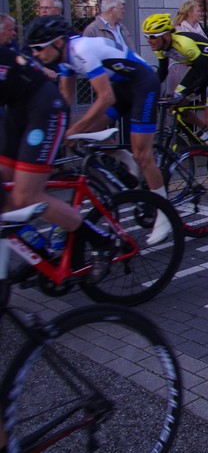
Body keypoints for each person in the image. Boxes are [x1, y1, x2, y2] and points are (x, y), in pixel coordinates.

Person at [25, 16, 172, 245]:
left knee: (143, 155)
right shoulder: (64, 59)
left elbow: (105, 97)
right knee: (85, 134)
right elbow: (65, 99)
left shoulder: (81, 50)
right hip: (122, 86)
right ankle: (125, 158)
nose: (36, 54)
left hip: (143, 85)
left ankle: (165, 213)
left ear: (58, 42)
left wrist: (74, 128)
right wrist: (60, 129)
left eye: (39, 48)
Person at [1, 35, 118, 279]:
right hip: (17, 112)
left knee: (26, 195)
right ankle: (41, 253)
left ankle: (101, 240)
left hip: (44, 109)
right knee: (5, 196)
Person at [142, 13, 208, 162]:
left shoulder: (184, 44)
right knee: (175, 107)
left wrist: (184, 94)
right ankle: (207, 133)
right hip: (199, 69)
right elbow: (162, 73)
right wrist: (148, 92)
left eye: (152, 36)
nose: (149, 41)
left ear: (166, 35)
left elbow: (205, 76)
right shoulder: (160, 47)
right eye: (146, 37)